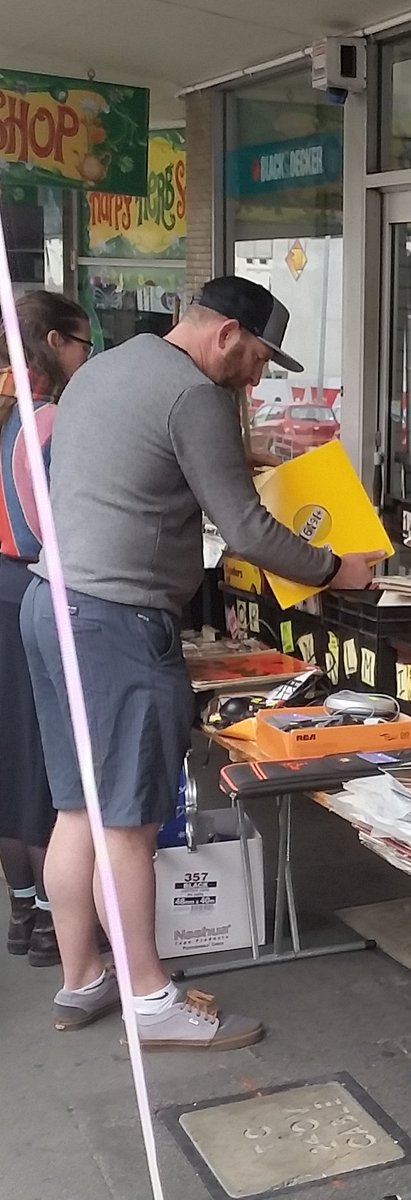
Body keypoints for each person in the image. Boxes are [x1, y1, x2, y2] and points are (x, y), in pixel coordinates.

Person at [20, 276, 385, 1050]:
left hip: (50, 602)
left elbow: (132, 462)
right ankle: (151, 997)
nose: (256, 377)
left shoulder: (108, 369)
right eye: (256, 359)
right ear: (225, 335)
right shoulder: (194, 395)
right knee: (129, 818)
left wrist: (245, 453)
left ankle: (82, 978)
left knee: (78, 809)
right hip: (115, 619)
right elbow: (248, 530)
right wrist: (334, 568)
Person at [0, 291, 92, 970]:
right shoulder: (49, 420)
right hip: (29, 590)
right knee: (43, 765)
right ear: (57, 342)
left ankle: (22, 911)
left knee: (8, 762)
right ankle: (54, 928)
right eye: (84, 344)